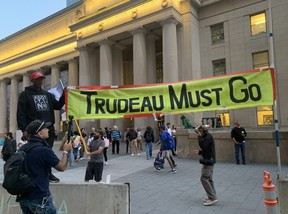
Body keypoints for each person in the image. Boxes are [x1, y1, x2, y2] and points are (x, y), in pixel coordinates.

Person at [17, 71, 65, 183]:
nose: (40, 81)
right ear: (32, 81)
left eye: (41, 79)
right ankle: (36, 172)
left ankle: (48, 173)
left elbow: (57, 106)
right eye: (37, 79)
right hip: (34, 130)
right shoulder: (25, 94)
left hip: (48, 128)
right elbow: (20, 113)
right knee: (37, 151)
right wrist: (24, 129)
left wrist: (64, 94)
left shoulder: (47, 95)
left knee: (48, 150)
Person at [17, 119, 71, 213]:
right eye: (45, 128)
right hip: (40, 198)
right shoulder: (44, 150)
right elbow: (62, 167)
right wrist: (66, 151)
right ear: (40, 133)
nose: (48, 130)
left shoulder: (23, 148)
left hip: (24, 198)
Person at [193, 125, 217, 206]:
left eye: (199, 132)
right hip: (209, 160)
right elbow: (206, 149)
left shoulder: (208, 137)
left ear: (202, 131)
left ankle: (212, 198)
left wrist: (199, 137)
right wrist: (199, 152)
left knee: (204, 178)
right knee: (209, 179)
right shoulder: (207, 137)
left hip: (208, 161)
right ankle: (212, 196)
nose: (198, 133)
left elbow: (203, 145)